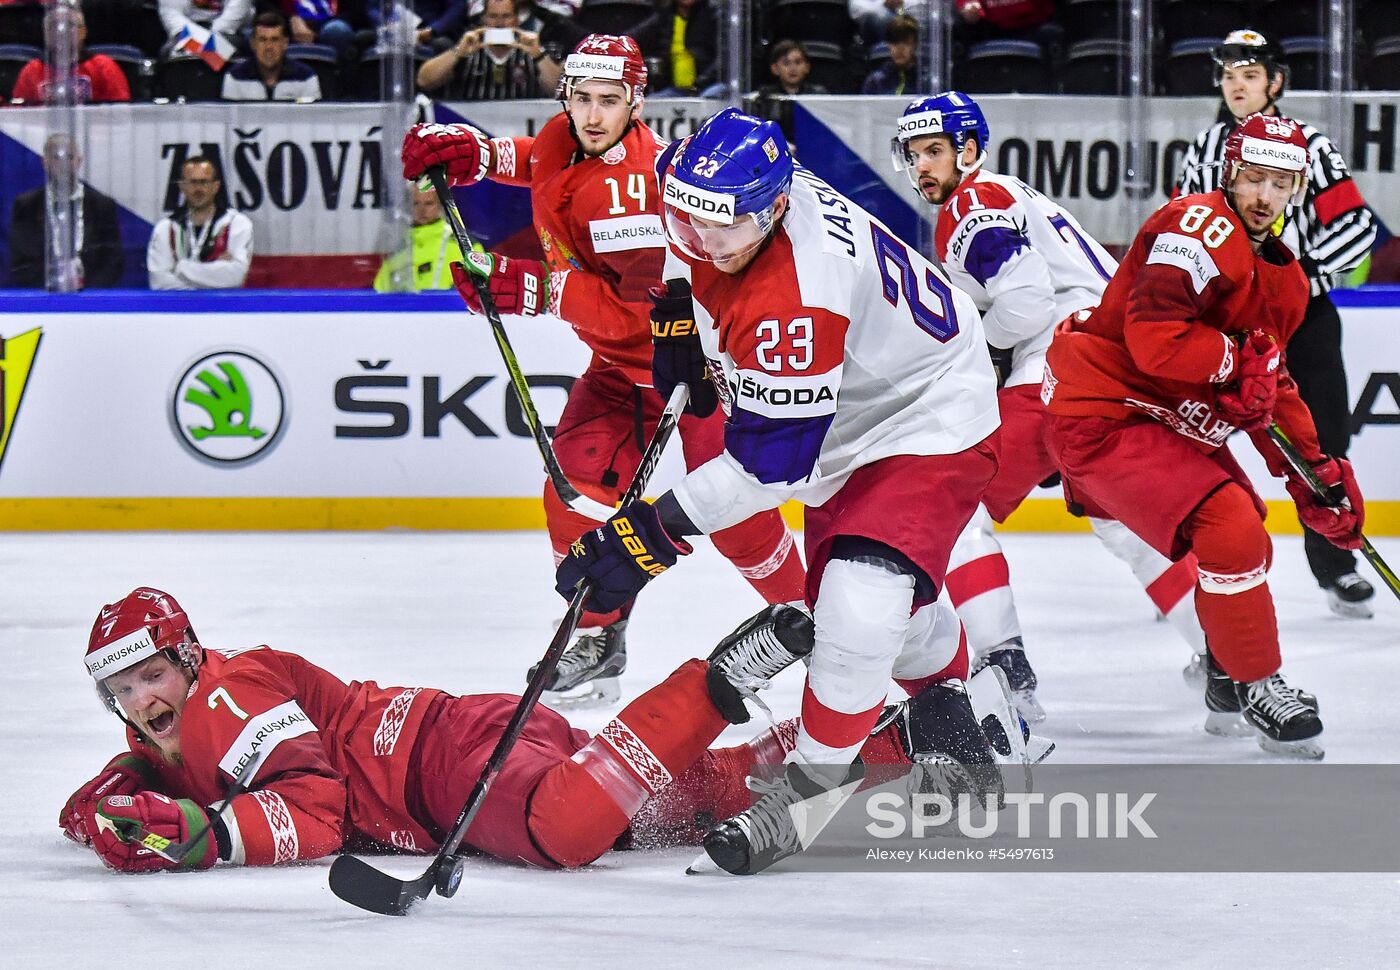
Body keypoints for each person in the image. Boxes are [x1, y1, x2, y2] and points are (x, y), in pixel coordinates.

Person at [553, 106, 1004, 874]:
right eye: (686, 219)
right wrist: (677, 320)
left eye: (720, 229)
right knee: (890, 591)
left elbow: (769, 471)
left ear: (776, 208)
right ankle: (948, 714)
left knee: (859, 603)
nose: (699, 240)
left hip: (925, 408)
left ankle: (812, 791)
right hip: (858, 391)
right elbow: (691, 241)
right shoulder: (719, 199)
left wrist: (647, 537)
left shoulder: (796, 295)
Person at [401, 35, 806, 709]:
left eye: (609, 102)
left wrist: (532, 290)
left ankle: (831, 626)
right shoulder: (567, 134)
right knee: (570, 491)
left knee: (741, 523)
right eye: (582, 99)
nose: (592, 116)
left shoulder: (636, 196)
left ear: (636, 104)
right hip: (620, 369)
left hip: (696, 369)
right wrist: (479, 154)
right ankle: (598, 638)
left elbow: (643, 317)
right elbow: (545, 161)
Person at [60, 587, 1010, 874]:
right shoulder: (176, 729)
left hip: (443, 766)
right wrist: (107, 801)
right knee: (671, 806)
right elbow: (157, 776)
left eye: (150, 675)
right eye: (122, 689)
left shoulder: (222, 696)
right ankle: (886, 744)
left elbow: (319, 802)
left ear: (187, 657)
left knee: (568, 830)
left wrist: (208, 839)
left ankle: (720, 681)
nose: (142, 700)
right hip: (471, 739)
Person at [1044, 112, 1365, 760]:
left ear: (1298, 189)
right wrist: (1228, 360)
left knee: (1245, 527)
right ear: (1230, 173)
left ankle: (1223, 675)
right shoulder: (1197, 224)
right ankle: (1257, 686)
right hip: (1105, 413)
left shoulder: (1289, 280)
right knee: (1230, 526)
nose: (1264, 196)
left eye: (1281, 183)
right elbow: (1156, 337)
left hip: (1166, 425)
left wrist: (1316, 477)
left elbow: (1270, 386)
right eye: (1254, 178)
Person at [890, 91, 1206, 722]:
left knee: (956, 508)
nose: (923, 166)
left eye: (934, 151)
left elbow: (1027, 305)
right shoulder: (1014, 194)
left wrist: (981, 351)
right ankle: (1227, 663)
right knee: (1127, 523)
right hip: (1118, 376)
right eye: (912, 154)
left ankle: (1004, 669)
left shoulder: (972, 203)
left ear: (969, 150)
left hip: (1059, 373)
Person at [1173, 29, 1378, 620]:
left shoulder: (1312, 144)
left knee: (1321, 440)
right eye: (1229, 76)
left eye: (1250, 76)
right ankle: (1196, 571)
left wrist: (1301, 278)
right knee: (1191, 437)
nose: (1238, 86)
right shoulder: (1205, 147)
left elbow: (1355, 227)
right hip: (1229, 322)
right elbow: (1181, 225)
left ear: (1275, 82)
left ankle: (1336, 565)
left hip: (1302, 317)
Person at [7, 133, 123, 289]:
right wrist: (49, 288)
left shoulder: (102, 205)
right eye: (56, 157)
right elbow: (21, 261)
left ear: (79, 161)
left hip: (91, 297)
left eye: (69, 157)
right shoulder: (27, 206)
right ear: (44, 162)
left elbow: (113, 259)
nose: (63, 164)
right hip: (41, 297)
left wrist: (86, 292)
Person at [415, 0, 558, 100]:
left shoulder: (530, 50)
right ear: (483, 19)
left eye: (506, 16)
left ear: (517, 20)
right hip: (472, 130)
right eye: (493, 16)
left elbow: (557, 90)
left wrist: (539, 55)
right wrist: (458, 52)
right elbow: (424, 81)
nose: (499, 23)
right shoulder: (468, 48)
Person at [147, 156, 253, 290]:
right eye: (192, 182)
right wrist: (216, 277)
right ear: (182, 186)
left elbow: (236, 276)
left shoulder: (237, 224)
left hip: (224, 308)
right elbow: (160, 283)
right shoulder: (165, 228)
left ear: (216, 186)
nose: (198, 189)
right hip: (178, 309)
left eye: (204, 182)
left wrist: (181, 268)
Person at [9, 8, 131, 104]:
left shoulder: (104, 67)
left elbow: (121, 112)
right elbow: (19, 115)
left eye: (68, 25)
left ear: (83, 32)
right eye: (53, 26)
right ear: (45, 33)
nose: (60, 31)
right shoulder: (32, 71)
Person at [373, 185, 468, 292]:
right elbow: (380, 293)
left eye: (429, 203)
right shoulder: (399, 251)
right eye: (416, 203)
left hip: (448, 308)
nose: (421, 210)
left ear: (441, 205)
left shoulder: (463, 245)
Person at [221, 12, 322, 101]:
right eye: (263, 40)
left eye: (274, 40)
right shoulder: (234, 77)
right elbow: (230, 121)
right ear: (253, 44)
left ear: (285, 43)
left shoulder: (306, 77)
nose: (268, 47)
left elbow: (311, 121)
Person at [633, 0, 724, 98]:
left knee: (709, 98)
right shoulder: (666, 15)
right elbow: (635, 36)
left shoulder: (715, 14)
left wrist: (700, 83)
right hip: (678, 89)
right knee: (650, 104)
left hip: (710, 85)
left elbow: (725, 58)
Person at [861, 14, 921, 97]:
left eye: (905, 43)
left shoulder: (924, 81)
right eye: (895, 43)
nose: (900, 49)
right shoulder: (875, 81)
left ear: (915, 45)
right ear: (888, 45)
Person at [158, 0, 252, 49]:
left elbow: (236, 13)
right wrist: (203, 42)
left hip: (226, 32)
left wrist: (211, 42)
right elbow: (172, 15)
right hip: (185, 32)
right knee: (171, 54)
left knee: (231, 52)